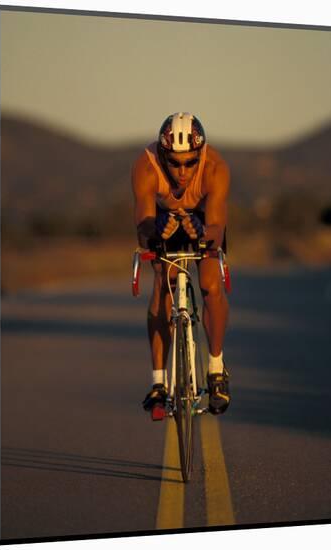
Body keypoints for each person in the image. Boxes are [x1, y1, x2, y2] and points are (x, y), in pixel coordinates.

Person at [131, 112, 231, 417]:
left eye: (190, 162)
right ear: (162, 155)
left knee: (209, 285)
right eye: (174, 162)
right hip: (162, 221)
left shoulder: (215, 167)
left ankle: (216, 368)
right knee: (163, 283)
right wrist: (155, 237)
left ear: (200, 154)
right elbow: (143, 225)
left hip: (203, 222)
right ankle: (159, 382)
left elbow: (216, 226)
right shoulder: (145, 166)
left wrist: (202, 236)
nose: (182, 171)